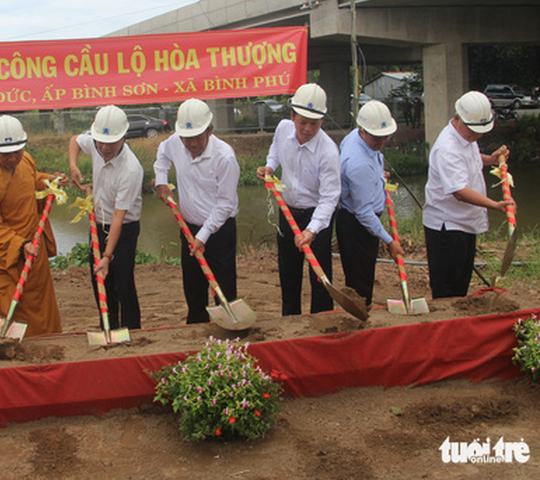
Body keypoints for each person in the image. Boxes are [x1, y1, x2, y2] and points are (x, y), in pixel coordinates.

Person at [0, 115, 64, 337]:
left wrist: (50, 181)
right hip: (11, 254)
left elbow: (32, 180)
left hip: (35, 245)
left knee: (42, 299)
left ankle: (49, 339)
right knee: (14, 303)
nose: (13, 158)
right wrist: (20, 244)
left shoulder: (27, 161)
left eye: (17, 151)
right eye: (6, 154)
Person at [256, 84, 341, 315]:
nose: (307, 128)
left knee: (319, 272)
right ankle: (290, 317)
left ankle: (323, 318)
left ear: (322, 120)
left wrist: (311, 231)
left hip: (317, 218)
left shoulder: (329, 152)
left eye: (314, 123)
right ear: (292, 116)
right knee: (288, 270)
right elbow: (275, 149)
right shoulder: (283, 129)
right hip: (288, 211)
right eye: (302, 121)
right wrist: (270, 167)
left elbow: (329, 199)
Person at [154, 98, 240, 324]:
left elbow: (225, 204)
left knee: (223, 283)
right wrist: (161, 181)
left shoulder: (225, 157)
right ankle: (196, 326)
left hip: (219, 231)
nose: (192, 144)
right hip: (189, 228)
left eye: (197, 138)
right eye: (186, 138)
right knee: (193, 285)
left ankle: (227, 330)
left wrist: (203, 236)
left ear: (210, 130)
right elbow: (162, 154)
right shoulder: (175, 142)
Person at [423, 90, 514, 298]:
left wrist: (490, 159)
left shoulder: (465, 137)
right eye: (473, 131)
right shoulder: (447, 147)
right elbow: (460, 192)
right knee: (448, 290)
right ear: (457, 119)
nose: (476, 136)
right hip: (448, 227)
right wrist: (496, 205)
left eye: (479, 132)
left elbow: (469, 157)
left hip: (464, 223)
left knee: (461, 283)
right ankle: (447, 325)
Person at [69, 105, 143, 330]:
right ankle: (108, 326)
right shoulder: (97, 144)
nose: (104, 147)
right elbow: (74, 140)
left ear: (124, 137)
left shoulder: (131, 170)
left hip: (124, 229)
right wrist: (73, 166)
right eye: (100, 142)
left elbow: (119, 219)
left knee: (122, 282)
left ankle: (131, 329)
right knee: (99, 279)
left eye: (110, 143)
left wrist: (107, 255)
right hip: (98, 223)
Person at [337, 100, 405, 305]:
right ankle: (360, 315)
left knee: (365, 273)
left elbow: (373, 160)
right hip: (357, 225)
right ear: (362, 130)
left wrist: (378, 176)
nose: (382, 143)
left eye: (385, 138)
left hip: (360, 216)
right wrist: (389, 241)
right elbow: (363, 212)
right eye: (377, 139)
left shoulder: (353, 138)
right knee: (360, 279)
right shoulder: (358, 164)